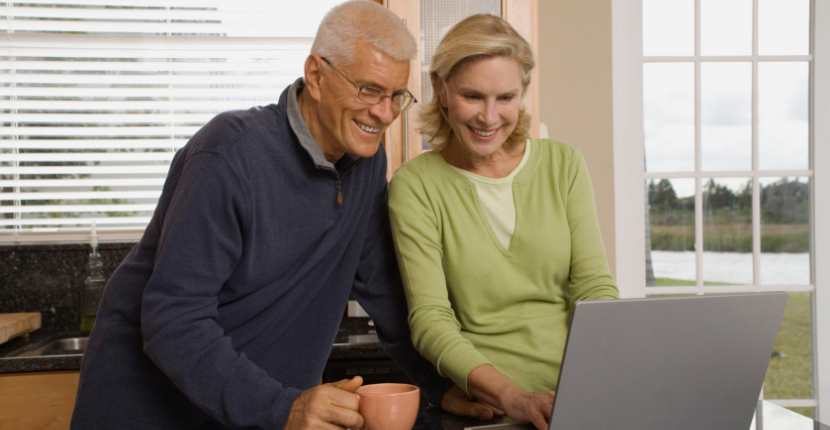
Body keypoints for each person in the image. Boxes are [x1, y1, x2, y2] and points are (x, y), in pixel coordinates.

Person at [70, 2, 488, 429]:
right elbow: (173, 320)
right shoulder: (229, 155)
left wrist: (442, 385)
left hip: (251, 415)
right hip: (148, 413)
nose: (384, 114)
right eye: (368, 90)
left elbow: (385, 292)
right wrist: (283, 408)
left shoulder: (364, 161)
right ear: (316, 75)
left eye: (395, 95)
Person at [388, 14, 620, 430]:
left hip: (579, 399)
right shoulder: (416, 186)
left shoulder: (563, 165)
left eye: (505, 98)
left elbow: (594, 288)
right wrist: (513, 397)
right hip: (494, 411)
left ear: (523, 93)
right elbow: (430, 320)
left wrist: (599, 380)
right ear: (442, 91)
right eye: (473, 96)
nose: (489, 117)